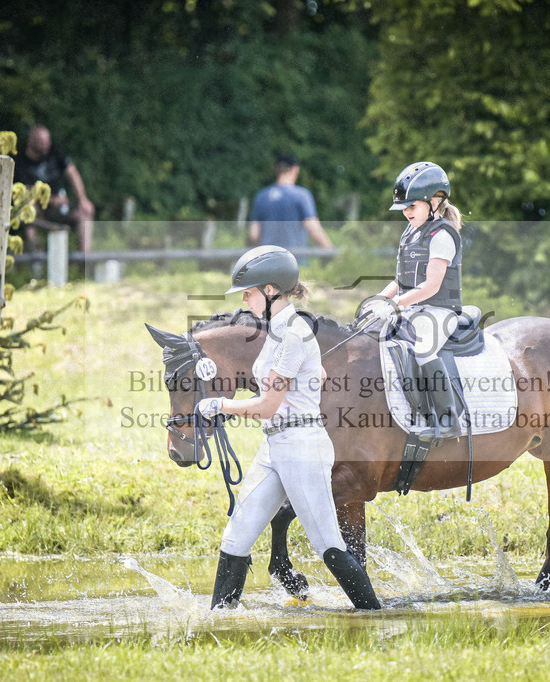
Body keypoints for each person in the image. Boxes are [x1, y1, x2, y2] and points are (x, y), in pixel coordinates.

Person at [195, 245, 381, 611]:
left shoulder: (293, 334)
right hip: (275, 448)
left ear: (270, 290)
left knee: (328, 543)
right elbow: (320, 374)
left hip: (300, 448)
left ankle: (373, 615)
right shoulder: (279, 332)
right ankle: (219, 619)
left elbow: (266, 406)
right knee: (236, 536)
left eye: (247, 292)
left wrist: (219, 405)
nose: (244, 300)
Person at [361, 161, 464, 433]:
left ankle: (448, 418)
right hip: (414, 309)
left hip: (440, 311)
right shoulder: (411, 233)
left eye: (412, 206)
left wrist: (397, 304)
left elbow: (431, 286)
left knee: (422, 349)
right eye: (404, 207)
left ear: (435, 202)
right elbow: (402, 281)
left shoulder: (442, 235)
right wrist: (379, 300)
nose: (406, 212)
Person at [12, 124, 95, 253]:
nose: (45, 145)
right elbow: (23, 190)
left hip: (57, 208)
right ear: (31, 141)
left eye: (47, 141)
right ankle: (36, 258)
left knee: (85, 211)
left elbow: (72, 173)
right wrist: (51, 199)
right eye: (41, 142)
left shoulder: (54, 152)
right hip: (37, 207)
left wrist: (82, 199)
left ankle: (85, 259)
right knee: (28, 208)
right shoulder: (20, 160)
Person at [249, 153, 332, 262]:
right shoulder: (302, 195)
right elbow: (313, 228)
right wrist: (330, 249)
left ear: (276, 169)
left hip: (267, 264)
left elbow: (253, 235)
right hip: (294, 264)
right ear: (295, 169)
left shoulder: (261, 196)